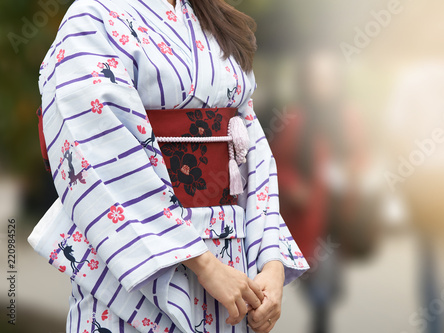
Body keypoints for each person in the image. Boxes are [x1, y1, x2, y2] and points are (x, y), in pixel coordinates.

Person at [28, 0, 308, 332]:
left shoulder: (213, 18)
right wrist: (202, 263)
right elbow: (97, 145)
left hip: (232, 255)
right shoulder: (94, 15)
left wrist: (270, 261)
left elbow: (250, 146)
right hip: (141, 258)